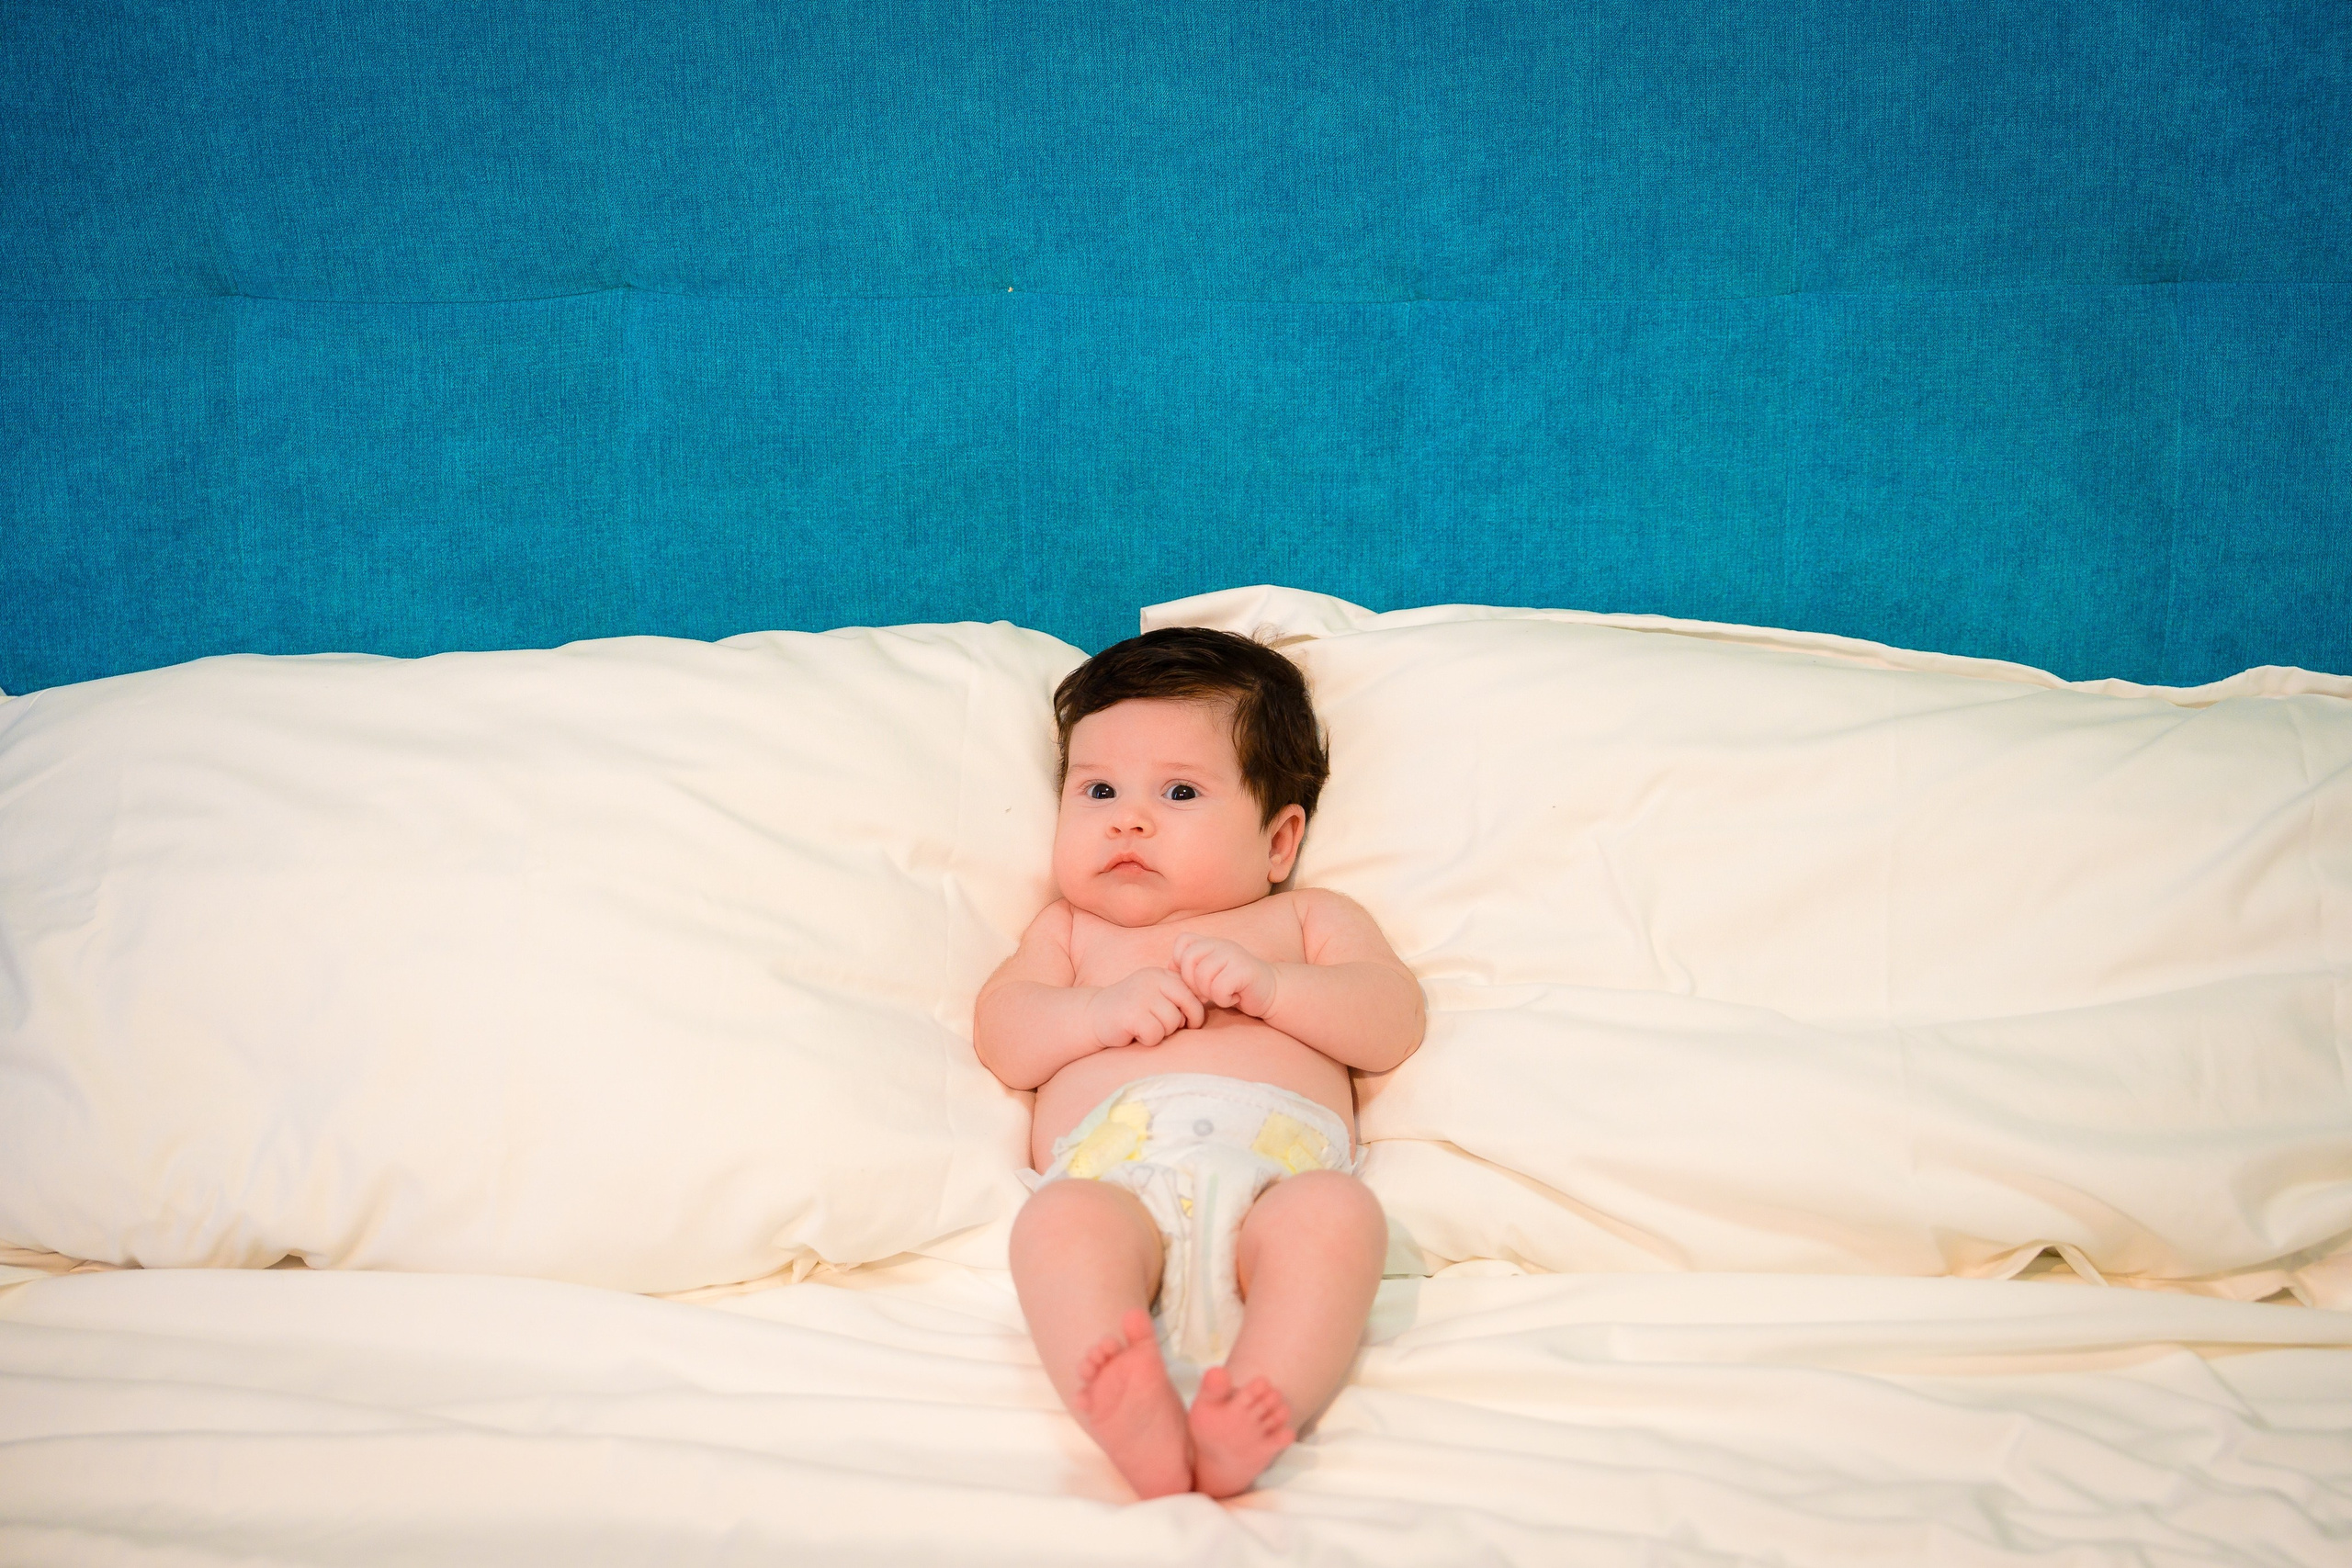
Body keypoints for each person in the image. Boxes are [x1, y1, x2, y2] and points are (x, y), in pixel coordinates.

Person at [974, 626, 1426, 1499]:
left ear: (1279, 842)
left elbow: (1392, 1022)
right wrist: (1095, 1012)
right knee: (1059, 1226)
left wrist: (1275, 989)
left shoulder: (1305, 921)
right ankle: (1121, 1402)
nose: (1128, 819)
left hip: (1279, 1179)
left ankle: (1258, 1404)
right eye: (1098, 788)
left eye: (1180, 791)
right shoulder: (1071, 931)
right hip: (1114, 1178)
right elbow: (1004, 1033)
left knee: (1337, 1218)